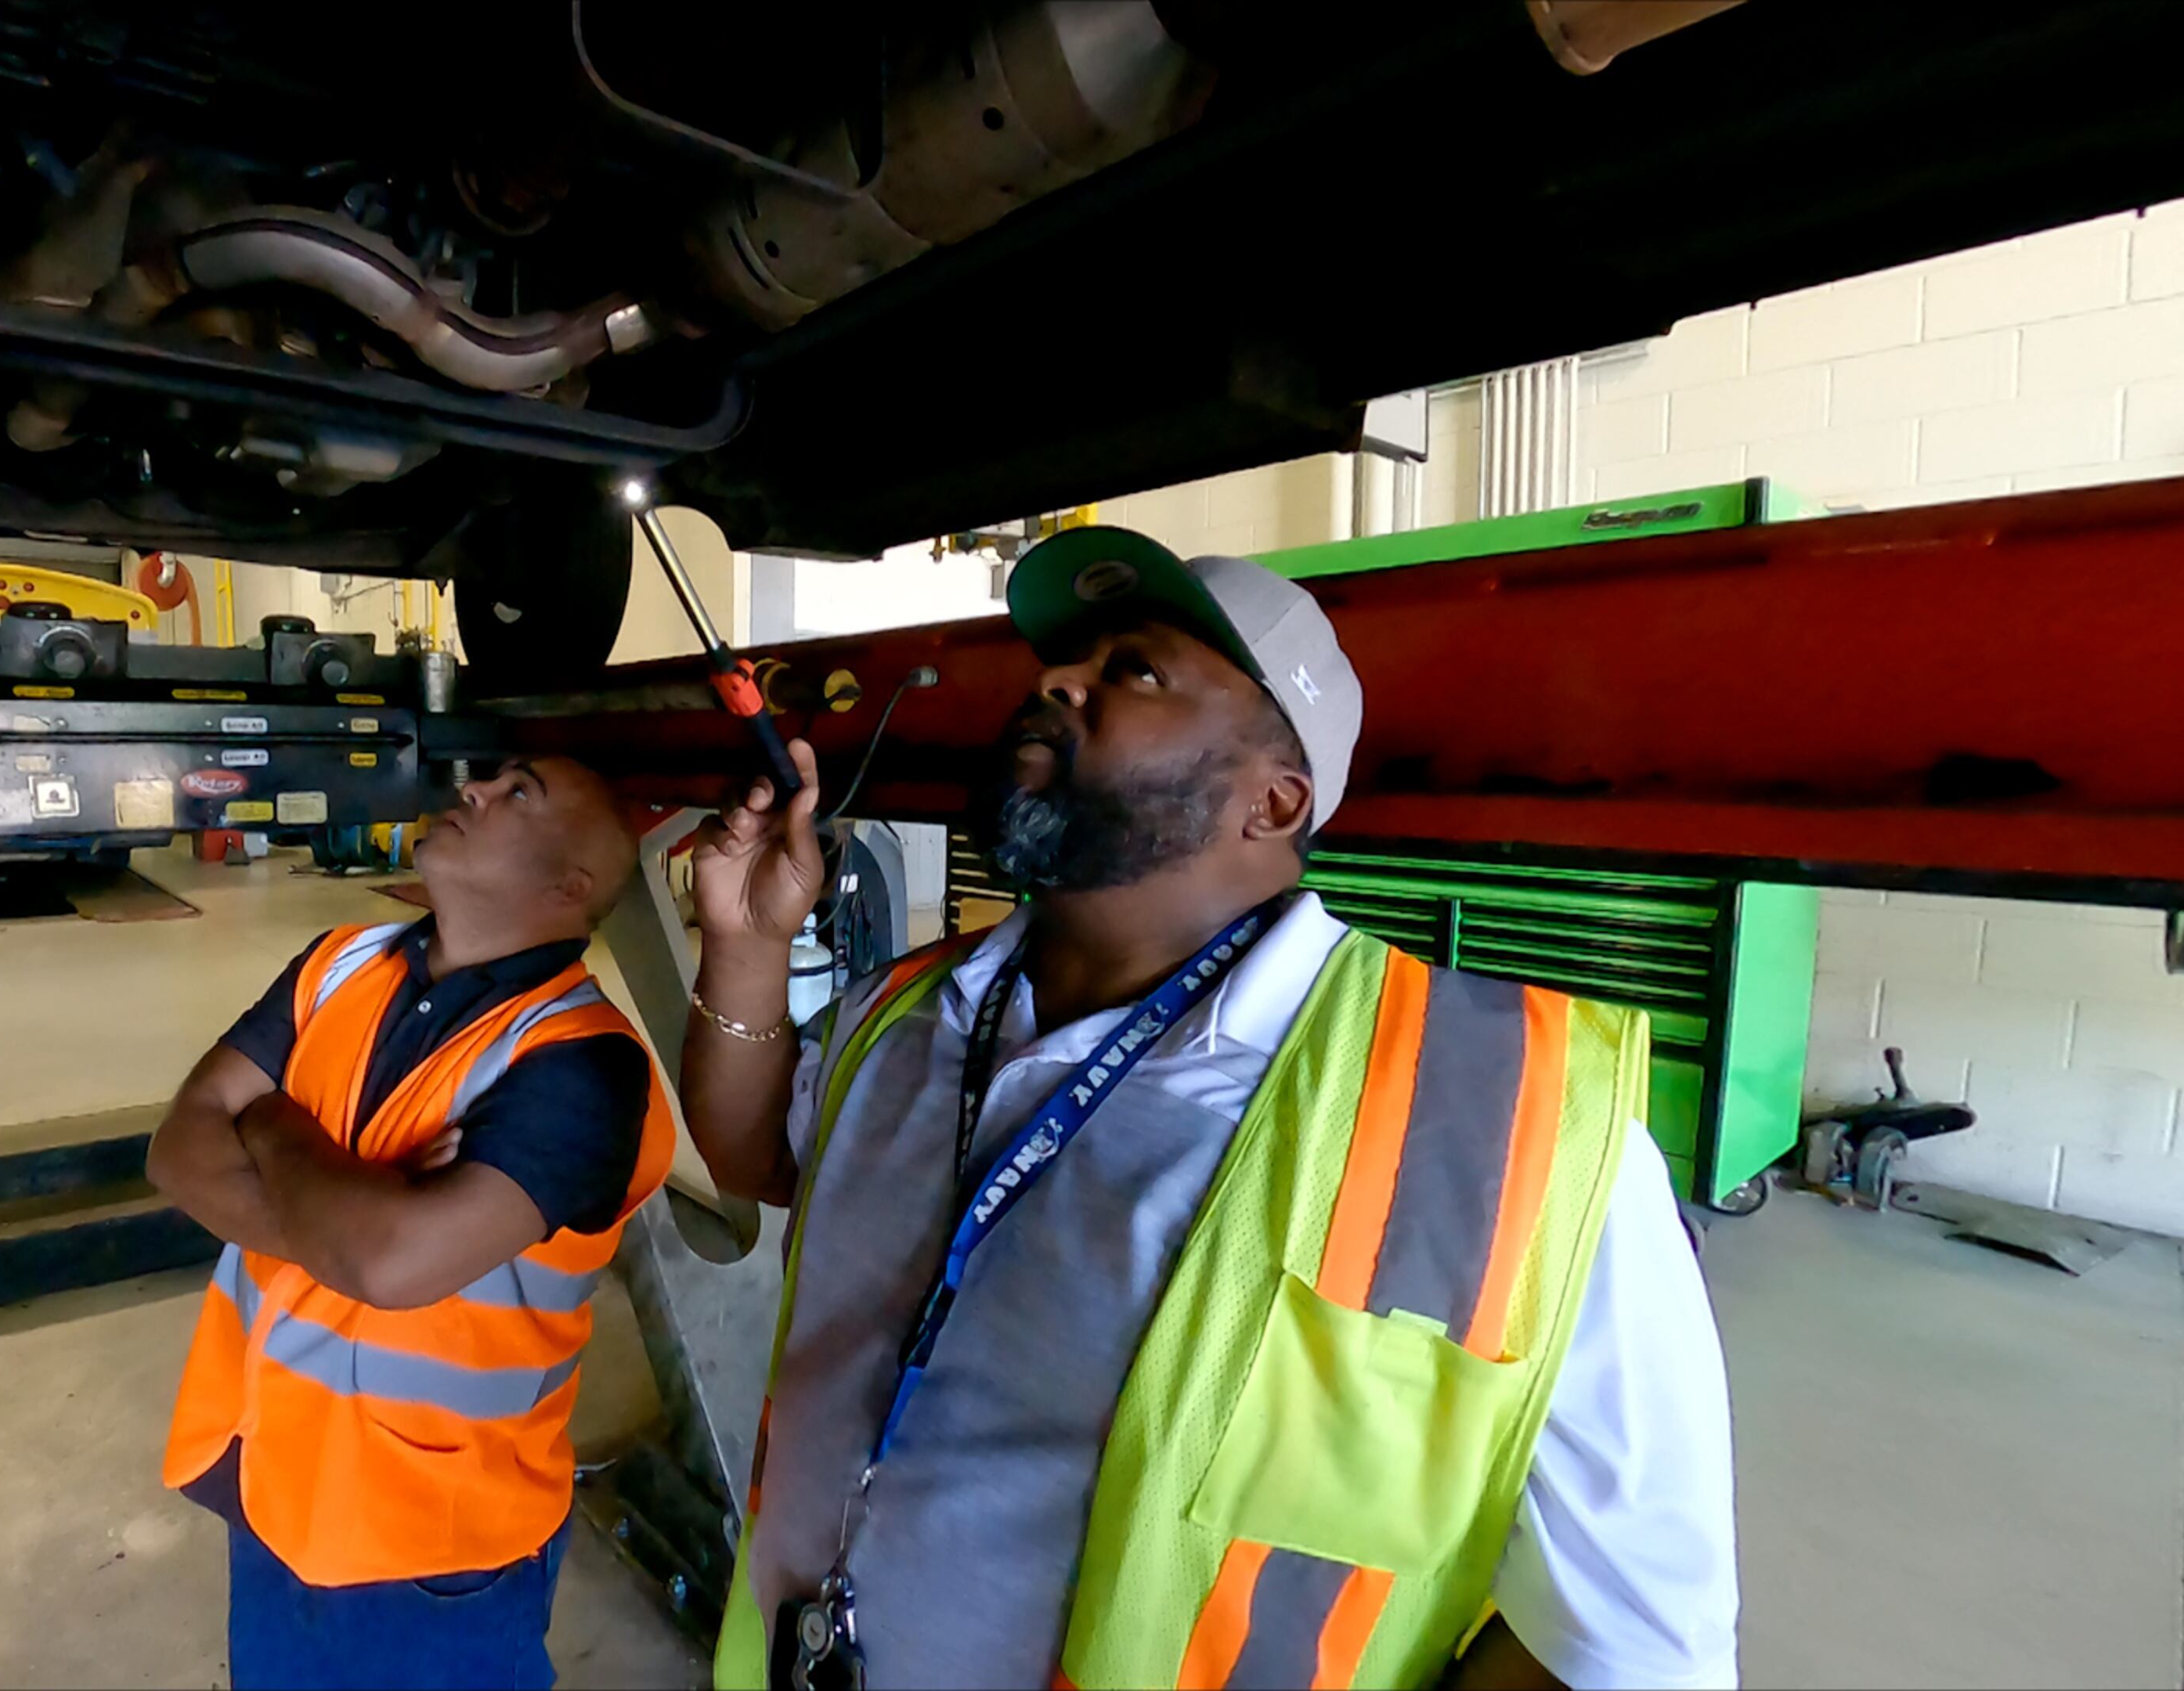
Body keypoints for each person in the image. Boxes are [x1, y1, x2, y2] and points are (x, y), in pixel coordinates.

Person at [680, 528, 1738, 1690]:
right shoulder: (920, 1007)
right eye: (1069, 661)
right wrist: (747, 942)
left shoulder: (1504, 1123)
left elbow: (1629, 1649)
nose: (1053, 681)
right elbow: (763, 1157)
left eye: (1135, 671)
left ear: (1273, 801)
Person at [147, 755, 672, 1690]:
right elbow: (176, 1151)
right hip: (268, 1489)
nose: (471, 791)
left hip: (431, 1547)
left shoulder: (583, 1067)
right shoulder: (335, 963)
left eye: (519, 795)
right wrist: (356, 1208)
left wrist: (266, 1120)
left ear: (571, 885)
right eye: (491, 781)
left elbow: (389, 1267)